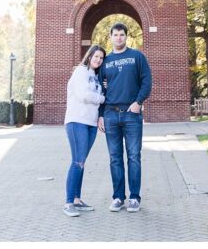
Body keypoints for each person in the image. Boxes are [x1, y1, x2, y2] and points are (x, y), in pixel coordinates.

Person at [98, 23, 152, 213]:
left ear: (126, 37)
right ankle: (118, 197)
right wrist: (101, 115)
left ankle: (134, 198)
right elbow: (100, 90)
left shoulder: (137, 56)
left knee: (134, 157)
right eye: (116, 35)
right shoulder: (105, 61)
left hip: (131, 114)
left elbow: (147, 81)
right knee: (114, 158)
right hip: (111, 114)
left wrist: (138, 102)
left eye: (122, 35)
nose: (119, 38)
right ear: (110, 37)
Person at [63, 44, 106, 217]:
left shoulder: (95, 77)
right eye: (96, 56)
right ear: (89, 56)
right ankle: (68, 203)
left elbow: (93, 96)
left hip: (91, 123)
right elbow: (83, 95)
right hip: (77, 121)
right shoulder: (80, 71)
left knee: (82, 162)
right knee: (77, 161)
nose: (98, 60)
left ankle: (77, 200)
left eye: (101, 58)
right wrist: (102, 98)